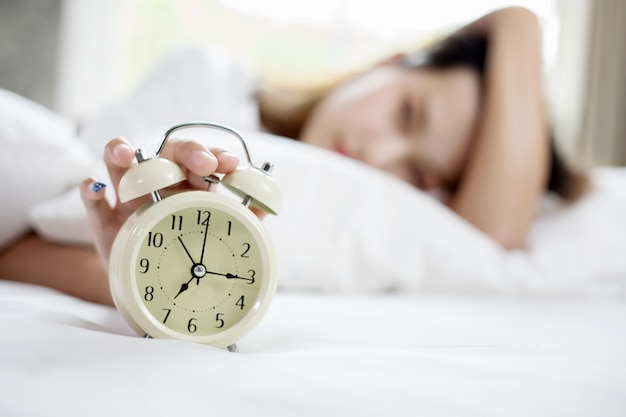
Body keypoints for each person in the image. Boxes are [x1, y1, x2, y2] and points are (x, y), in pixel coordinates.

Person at [0, 6, 588, 305]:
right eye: (407, 113)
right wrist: (521, 19)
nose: (376, 153)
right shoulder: (209, 84)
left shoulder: (355, 221)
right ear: (390, 64)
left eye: (418, 173)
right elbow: (32, 230)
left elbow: (493, 237)